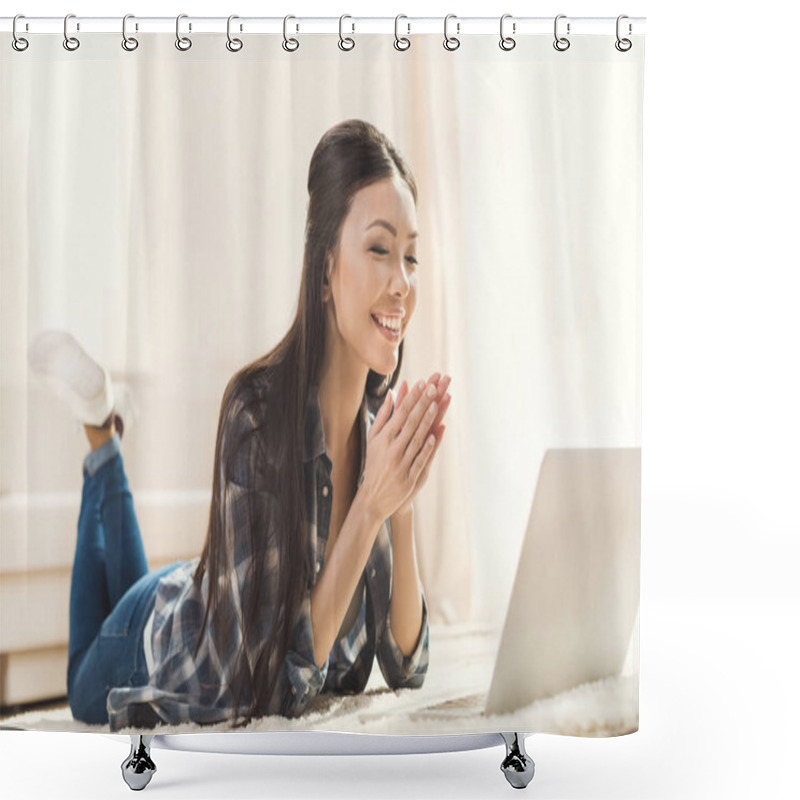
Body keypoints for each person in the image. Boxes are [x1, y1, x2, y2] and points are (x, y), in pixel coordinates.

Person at [28, 119, 452, 732]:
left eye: (411, 256)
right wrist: (367, 509)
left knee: (141, 587)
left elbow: (406, 666)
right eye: (380, 249)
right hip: (165, 634)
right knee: (79, 686)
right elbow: (270, 692)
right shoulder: (254, 413)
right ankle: (101, 438)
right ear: (327, 268)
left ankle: (103, 424)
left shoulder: (375, 431)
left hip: (208, 586)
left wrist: (401, 502)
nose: (402, 283)